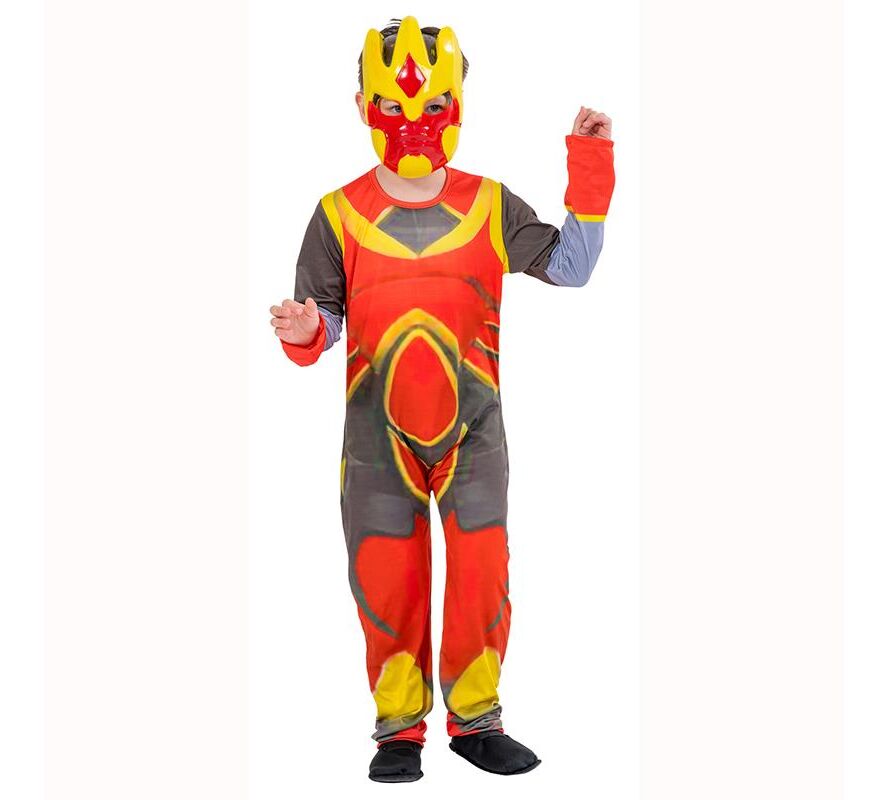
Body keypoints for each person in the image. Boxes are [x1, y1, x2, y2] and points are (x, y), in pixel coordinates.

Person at [269, 15, 615, 783]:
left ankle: (476, 722)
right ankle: (398, 731)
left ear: (458, 102)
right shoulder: (337, 213)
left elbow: (570, 268)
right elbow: (322, 322)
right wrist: (305, 329)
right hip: (375, 442)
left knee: (480, 574)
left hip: (473, 436)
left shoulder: (488, 205)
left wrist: (589, 164)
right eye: (394, 107)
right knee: (385, 577)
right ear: (361, 106)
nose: (414, 123)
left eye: (431, 106)